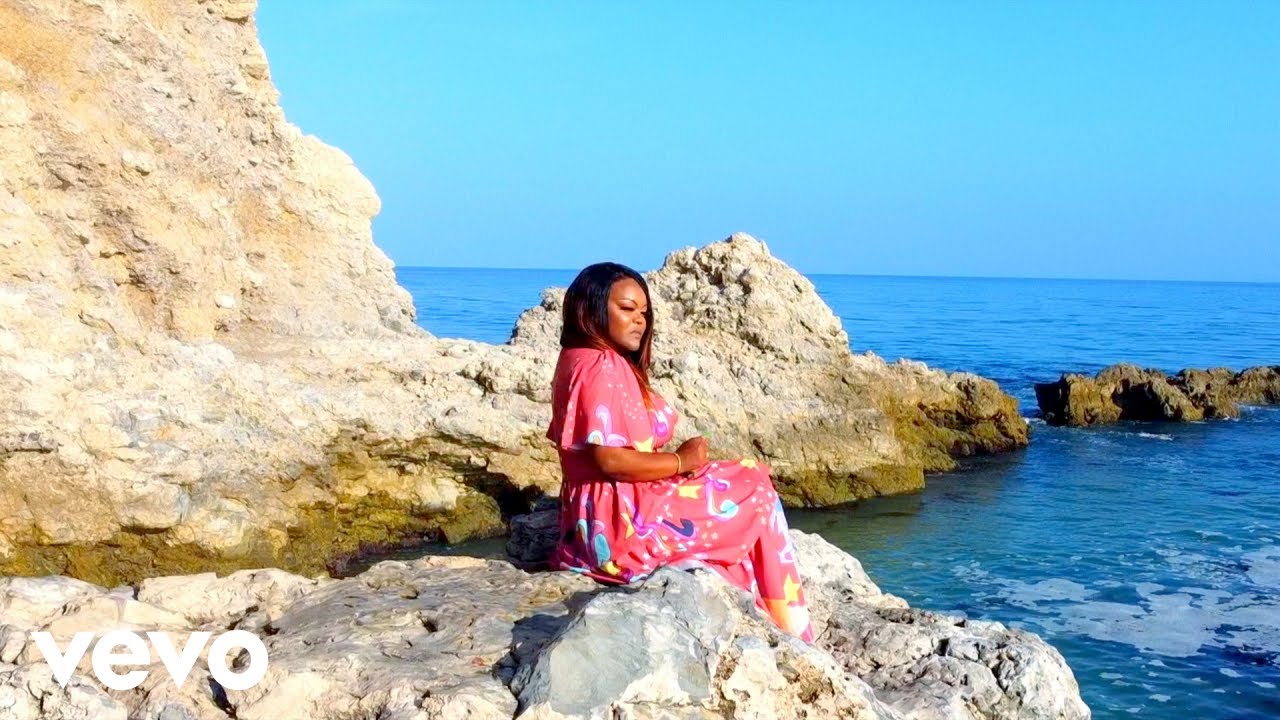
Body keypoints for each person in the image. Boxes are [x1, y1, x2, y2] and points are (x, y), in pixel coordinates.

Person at [545, 261, 815, 643]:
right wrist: (681, 461)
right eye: (627, 309)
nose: (640, 321)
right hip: (621, 529)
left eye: (644, 312)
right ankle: (793, 630)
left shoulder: (577, 357)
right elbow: (612, 461)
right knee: (757, 492)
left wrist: (683, 464)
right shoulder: (601, 366)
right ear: (591, 309)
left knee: (745, 474)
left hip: (592, 521)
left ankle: (760, 607)